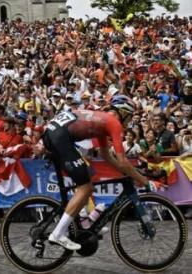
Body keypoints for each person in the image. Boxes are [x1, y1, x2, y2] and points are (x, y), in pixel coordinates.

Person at [43, 95, 152, 251]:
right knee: (85, 188)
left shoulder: (102, 122)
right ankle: (58, 233)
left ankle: (85, 224)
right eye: (130, 117)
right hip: (59, 137)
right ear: (124, 112)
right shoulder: (114, 123)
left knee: (88, 183)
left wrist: (126, 172)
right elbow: (122, 160)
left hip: (55, 134)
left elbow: (106, 155)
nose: (130, 122)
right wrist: (145, 181)